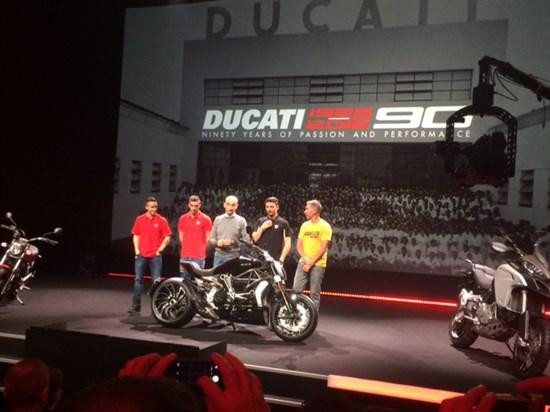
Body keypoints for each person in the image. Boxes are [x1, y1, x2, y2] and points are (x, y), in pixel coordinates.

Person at [129, 196, 172, 314]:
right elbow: (136, 235)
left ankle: (157, 307)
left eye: (156, 207)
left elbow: (167, 237)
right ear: (146, 207)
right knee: (138, 280)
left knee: (156, 281)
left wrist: (160, 250)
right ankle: (136, 305)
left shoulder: (162, 220)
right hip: (141, 255)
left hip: (155, 256)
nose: (154, 209)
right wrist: (137, 251)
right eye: (152, 207)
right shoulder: (140, 219)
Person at [292, 199, 332, 311]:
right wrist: (306, 259)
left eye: (307, 209)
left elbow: (323, 248)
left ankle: (312, 318)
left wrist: (311, 263)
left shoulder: (325, 226)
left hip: (318, 264)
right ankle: (296, 314)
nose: (304, 211)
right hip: (303, 262)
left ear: (314, 210)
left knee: (314, 293)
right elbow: (299, 245)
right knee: (296, 290)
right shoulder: (304, 226)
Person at [178, 195, 212, 280]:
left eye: (196, 206)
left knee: (199, 282)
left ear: (199, 205)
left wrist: (201, 250)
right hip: (185, 256)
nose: (193, 208)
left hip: (199, 256)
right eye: (192, 205)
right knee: (184, 281)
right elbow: (181, 237)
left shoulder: (206, 219)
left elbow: (208, 239)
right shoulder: (182, 218)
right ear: (189, 205)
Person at [209, 195, 249, 267]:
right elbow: (212, 239)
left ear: (237, 206)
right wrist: (218, 243)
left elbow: (247, 241)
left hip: (234, 257)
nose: (230, 207)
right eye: (228, 204)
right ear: (224, 205)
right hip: (218, 257)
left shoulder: (241, 221)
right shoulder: (217, 219)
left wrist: (233, 242)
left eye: (233, 205)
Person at [252, 197, 291, 263]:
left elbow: (288, 243)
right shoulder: (260, 221)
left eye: (271, 207)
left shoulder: (284, 223)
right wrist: (262, 228)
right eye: (267, 207)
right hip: (260, 259)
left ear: (277, 207)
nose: (269, 209)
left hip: (275, 260)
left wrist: (281, 259)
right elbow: (254, 239)